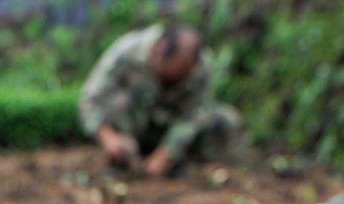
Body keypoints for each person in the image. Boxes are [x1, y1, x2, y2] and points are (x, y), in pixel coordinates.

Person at [79, 24, 241, 177]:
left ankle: (201, 168)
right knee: (118, 101)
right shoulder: (127, 51)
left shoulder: (200, 64)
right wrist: (108, 137)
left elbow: (196, 112)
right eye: (171, 75)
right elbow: (91, 98)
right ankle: (121, 161)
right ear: (160, 51)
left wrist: (167, 153)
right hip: (131, 126)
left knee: (224, 118)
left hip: (166, 126)